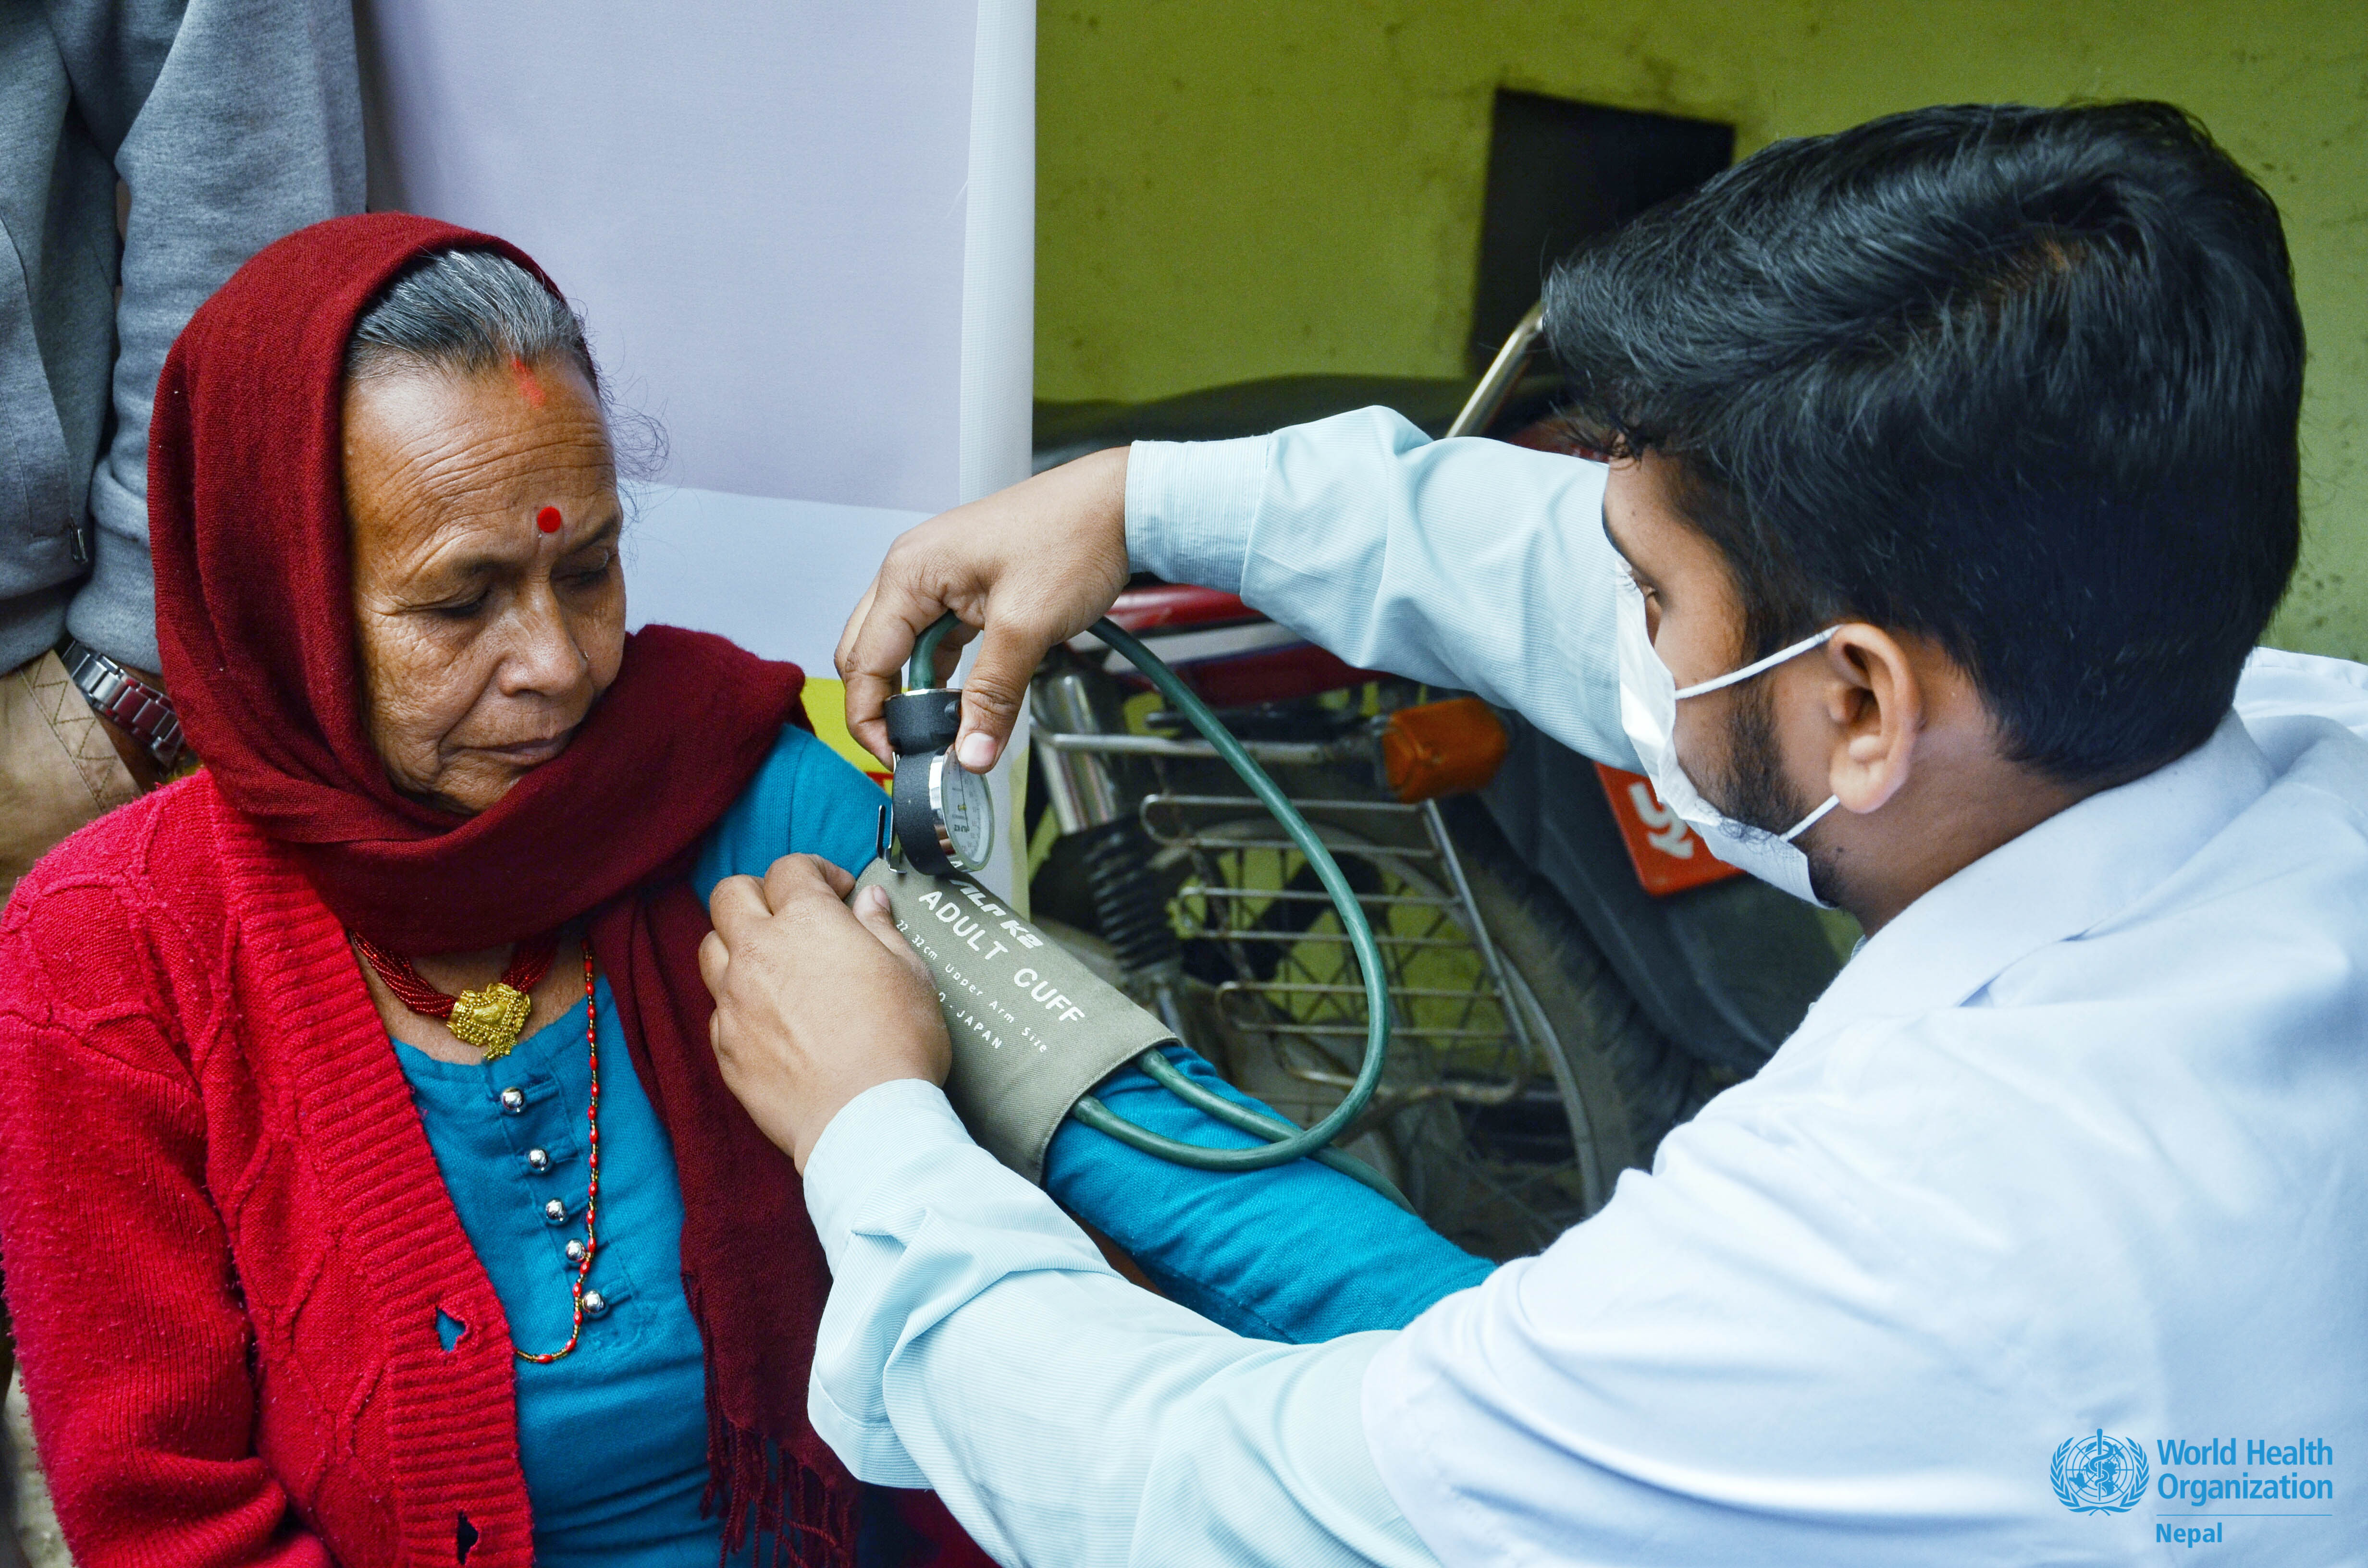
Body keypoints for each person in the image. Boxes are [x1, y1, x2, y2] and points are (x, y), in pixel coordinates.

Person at [698, 103, 2368, 1566]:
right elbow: (1555, 579)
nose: (1619, 627)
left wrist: (874, 1131)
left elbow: (1218, 1505)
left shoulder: (1892, 1243)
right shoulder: (2256, 749)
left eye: (1655, 594)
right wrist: (1143, 498)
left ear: (1859, 706)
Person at [0, 211, 1460, 1568]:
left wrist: (1515, 1383)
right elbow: (171, 1522)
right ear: (279, 600)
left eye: (589, 573)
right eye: (461, 603)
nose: (561, 667)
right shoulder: (108, 960)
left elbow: (1154, 1152)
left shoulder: (752, 796)